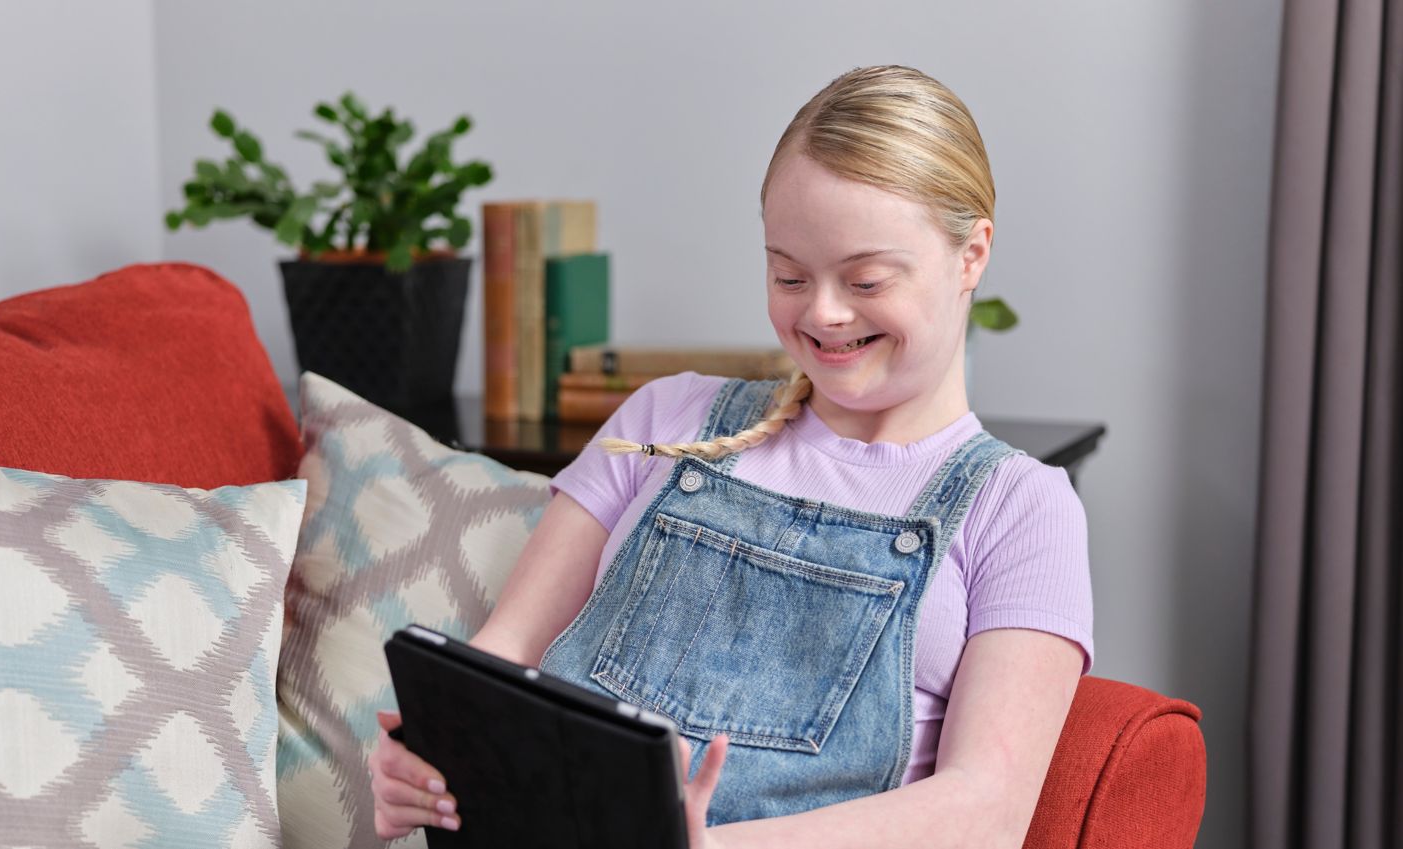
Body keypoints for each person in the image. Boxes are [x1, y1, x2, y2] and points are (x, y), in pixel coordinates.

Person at [369, 64, 1092, 848]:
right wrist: (428, 759)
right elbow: (499, 662)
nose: (822, 311)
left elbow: (985, 808)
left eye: (866, 278)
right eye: (787, 273)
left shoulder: (1019, 507)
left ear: (970, 254)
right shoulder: (667, 417)